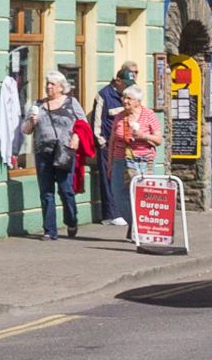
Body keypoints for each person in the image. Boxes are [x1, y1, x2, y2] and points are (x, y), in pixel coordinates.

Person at [21, 72, 86, 241]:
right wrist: (32, 122)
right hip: (43, 152)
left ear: (61, 87)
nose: (48, 87)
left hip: (64, 151)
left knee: (66, 190)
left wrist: (76, 137)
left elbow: (83, 123)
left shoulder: (71, 102)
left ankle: (71, 220)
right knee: (46, 192)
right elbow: (25, 130)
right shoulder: (38, 105)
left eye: (52, 84)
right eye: (47, 83)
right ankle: (49, 230)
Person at [91, 62, 137, 227]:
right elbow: (97, 121)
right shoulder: (104, 95)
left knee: (124, 181)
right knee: (109, 179)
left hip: (125, 146)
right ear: (118, 81)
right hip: (107, 146)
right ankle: (110, 214)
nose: (127, 88)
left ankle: (124, 212)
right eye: (125, 84)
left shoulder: (127, 97)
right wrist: (102, 143)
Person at [108, 85, 162, 212]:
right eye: (124, 97)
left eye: (129, 98)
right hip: (120, 160)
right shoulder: (119, 117)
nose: (125, 101)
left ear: (138, 101)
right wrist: (110, 164)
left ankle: (139, 226)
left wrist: (143, 136)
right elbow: (112, 141)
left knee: (142, 195)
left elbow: (158, 140)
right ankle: (133, 224)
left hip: (143, 161)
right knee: (118, 194)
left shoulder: (149, 115)